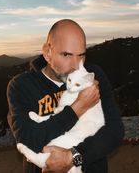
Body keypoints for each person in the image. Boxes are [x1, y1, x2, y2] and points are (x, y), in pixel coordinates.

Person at [7, 19, 124, 173]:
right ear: (48, 53)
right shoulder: (21, 85)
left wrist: (73, 157)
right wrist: (78, 108)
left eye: (81, 55)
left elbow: (115, 131)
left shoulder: (92, 75)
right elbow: (28, 140)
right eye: (67, 55)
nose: (76, 65)